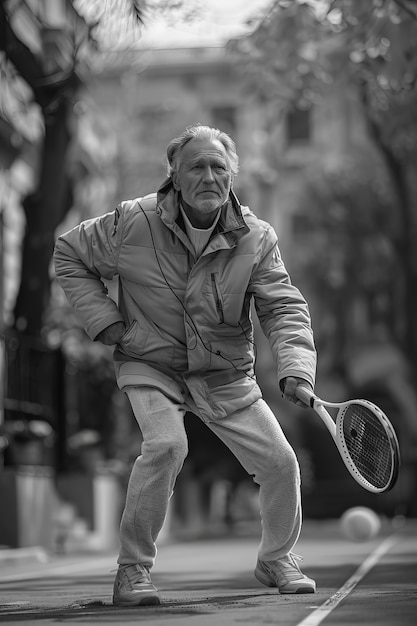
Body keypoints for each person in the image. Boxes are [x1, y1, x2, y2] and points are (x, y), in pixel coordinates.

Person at [54, 124, 317, 606]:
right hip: (151, 362)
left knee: (281, 463)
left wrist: (295, 367)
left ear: (231, 177)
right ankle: (132, 570)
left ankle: (277, 557)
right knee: (166, 445)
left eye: (219, 167)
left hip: (224, 373)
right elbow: (69, 253)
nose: (209, 176)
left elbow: (284, 308)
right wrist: (107, 324)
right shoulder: (132, 221)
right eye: (197, 165)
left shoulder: (256, 238)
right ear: (174, 173)